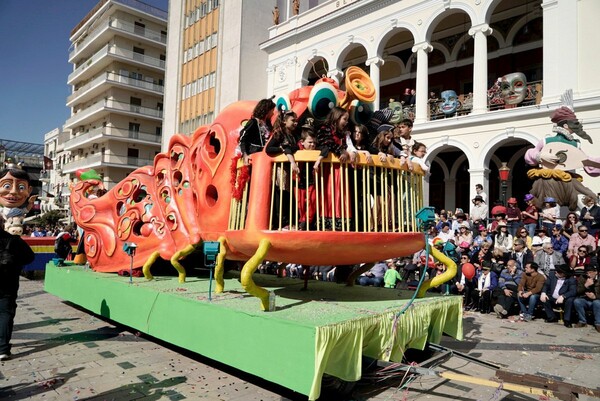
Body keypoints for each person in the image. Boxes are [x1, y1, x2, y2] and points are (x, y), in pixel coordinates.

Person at [0, 213, 35, 361]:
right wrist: (15, 264)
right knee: (6, 313)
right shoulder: (13, 240)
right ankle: (2, 349)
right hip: (7, 282)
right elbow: (30, 257)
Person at [314, 107, 353, 231]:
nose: (346, 122)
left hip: (340, 169)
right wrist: (340, 150)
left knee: (341, 193)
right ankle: (327, 221)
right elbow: (326, 143)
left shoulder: (343, 134)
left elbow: (347, 147)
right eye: (344, 119)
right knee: (329, 192)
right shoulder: (324, 129)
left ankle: (341, 222)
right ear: (336, 117)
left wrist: (348, 152)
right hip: (329, 169)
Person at [238, 98, 276, 166]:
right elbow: (242, 138)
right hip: (255, 156)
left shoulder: (268, 125)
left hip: (265, 156)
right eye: (272, 111)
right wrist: (245, 154)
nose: (273, 113)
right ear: (267, 110)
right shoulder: (253, 122)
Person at [573, 265, 600, 332]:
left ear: (596, 272)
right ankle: (582, 321)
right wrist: (585, 286)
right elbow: (578, 291)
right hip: (585, 299)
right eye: (587, 273)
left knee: (596, 302)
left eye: (590, 272)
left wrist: (595, 297)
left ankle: (598, 323)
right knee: (577, 301)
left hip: (597, 300)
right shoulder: (582, 277)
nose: (588, 275)